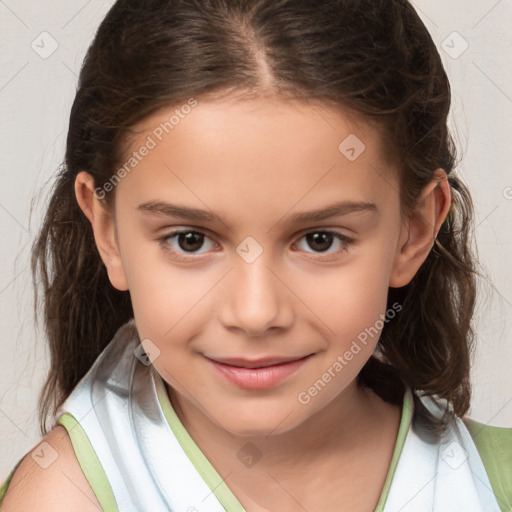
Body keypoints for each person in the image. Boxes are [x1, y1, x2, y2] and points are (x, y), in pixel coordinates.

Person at [1, 0, 511, 510]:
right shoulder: (57, 498)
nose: (256, 312)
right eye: (190, 240)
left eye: (319, 240)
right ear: (108, 232)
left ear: (413, 230)